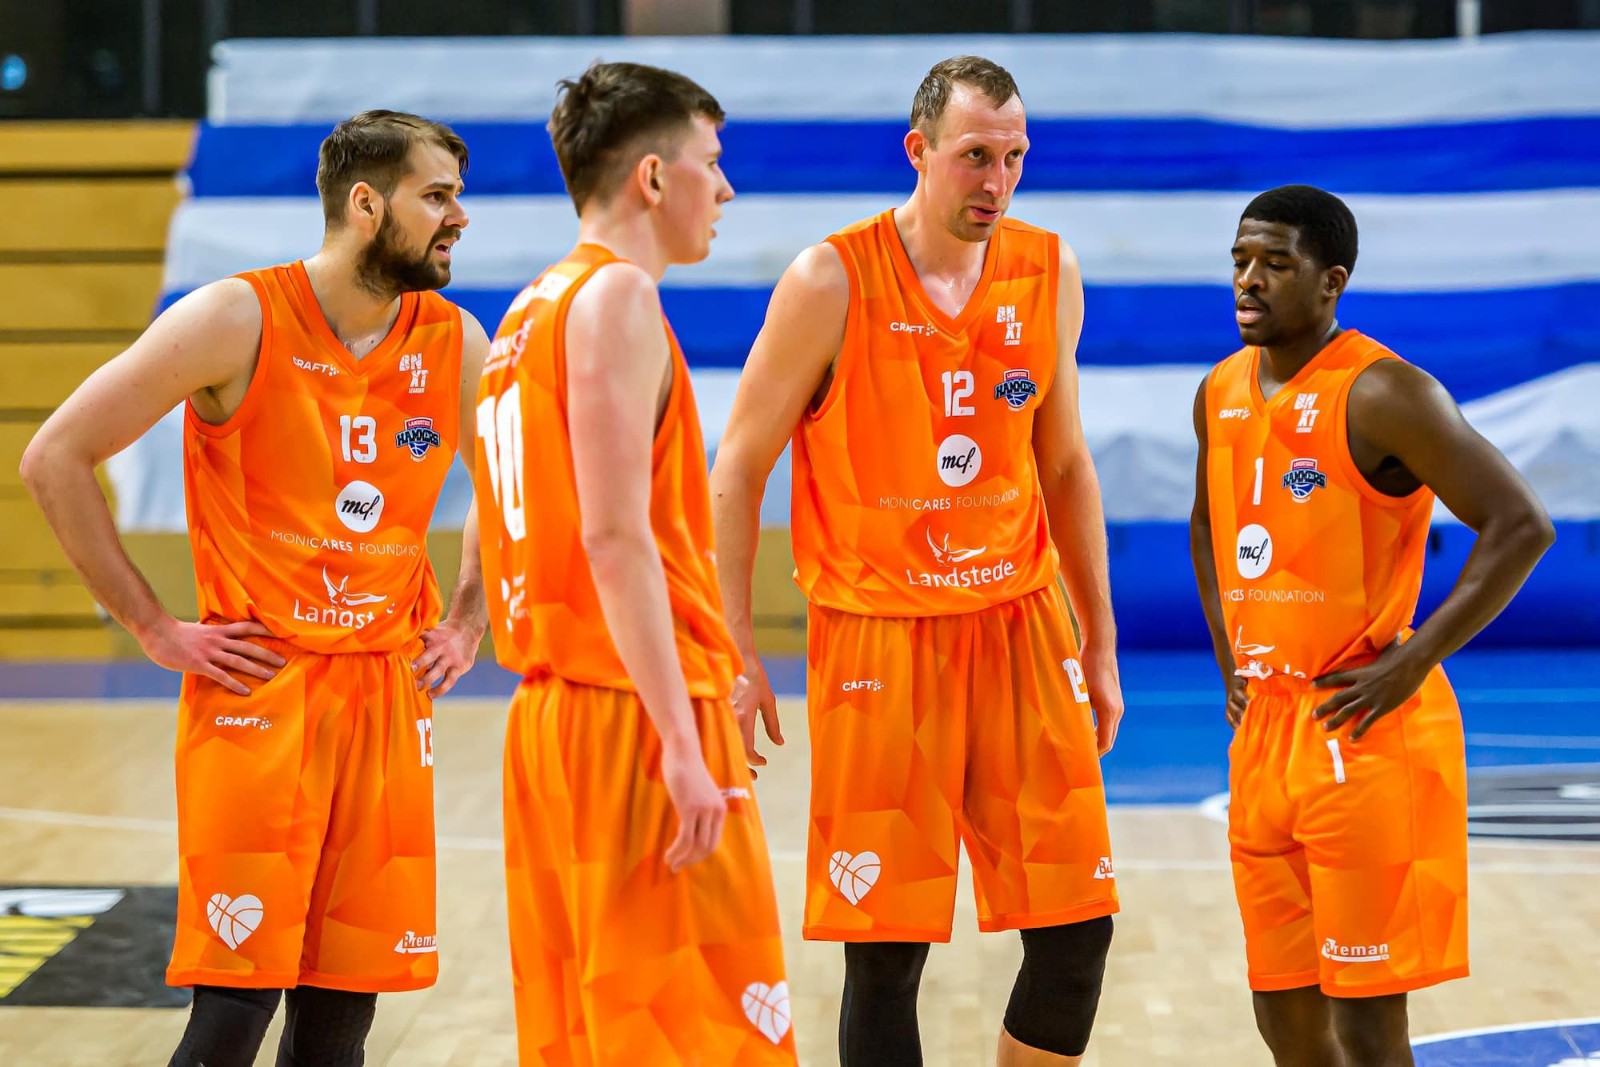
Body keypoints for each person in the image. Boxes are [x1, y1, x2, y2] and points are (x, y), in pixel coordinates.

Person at [20, 110, 490, 1067]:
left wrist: (466, 618)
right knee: (233, 1014)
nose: (459, 217)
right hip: (258, 695)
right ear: (367, 204)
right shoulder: (236, 318)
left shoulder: (456, 339)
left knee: (341, 1021)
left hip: (385, 700)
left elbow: (509, 483)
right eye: (437, 195)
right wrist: (152, 625)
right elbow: (53, 456)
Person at [710, 56, 1122, 1067]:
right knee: (887, 957)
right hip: (879, 640)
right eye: (975, 155)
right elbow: (738, 467)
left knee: (1077, 932)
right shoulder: (830, 278)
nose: (996, 180)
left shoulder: (1048, 269)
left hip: (1021, 625)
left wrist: (1100, 642)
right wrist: (734, 648)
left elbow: (1065, 465)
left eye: (1014, 157)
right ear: (919, 150)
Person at [473, 62, 797, 1065]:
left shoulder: (526, 312)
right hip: (630, 714)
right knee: (712, 1040)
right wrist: (679, 742)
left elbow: (502, 519)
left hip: (550, 719)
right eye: (711, 161)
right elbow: (614, 537)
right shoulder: (615, 295)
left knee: (589, 1040)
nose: (726, 188)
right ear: (653, 177)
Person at [1189, 184, 1555, 1067]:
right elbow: (1208, 524)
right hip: (1266, 731)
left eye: (1276, 263)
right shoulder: (1218, 389)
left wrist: (1414, 659)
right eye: (1241, 260)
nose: (1249, 280)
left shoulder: (1385, 391)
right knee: (1281, 1009)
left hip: (1363, 732)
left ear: (1331, 281)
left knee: (1366, 1023)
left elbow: (1521, 523)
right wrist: (1232, 658)